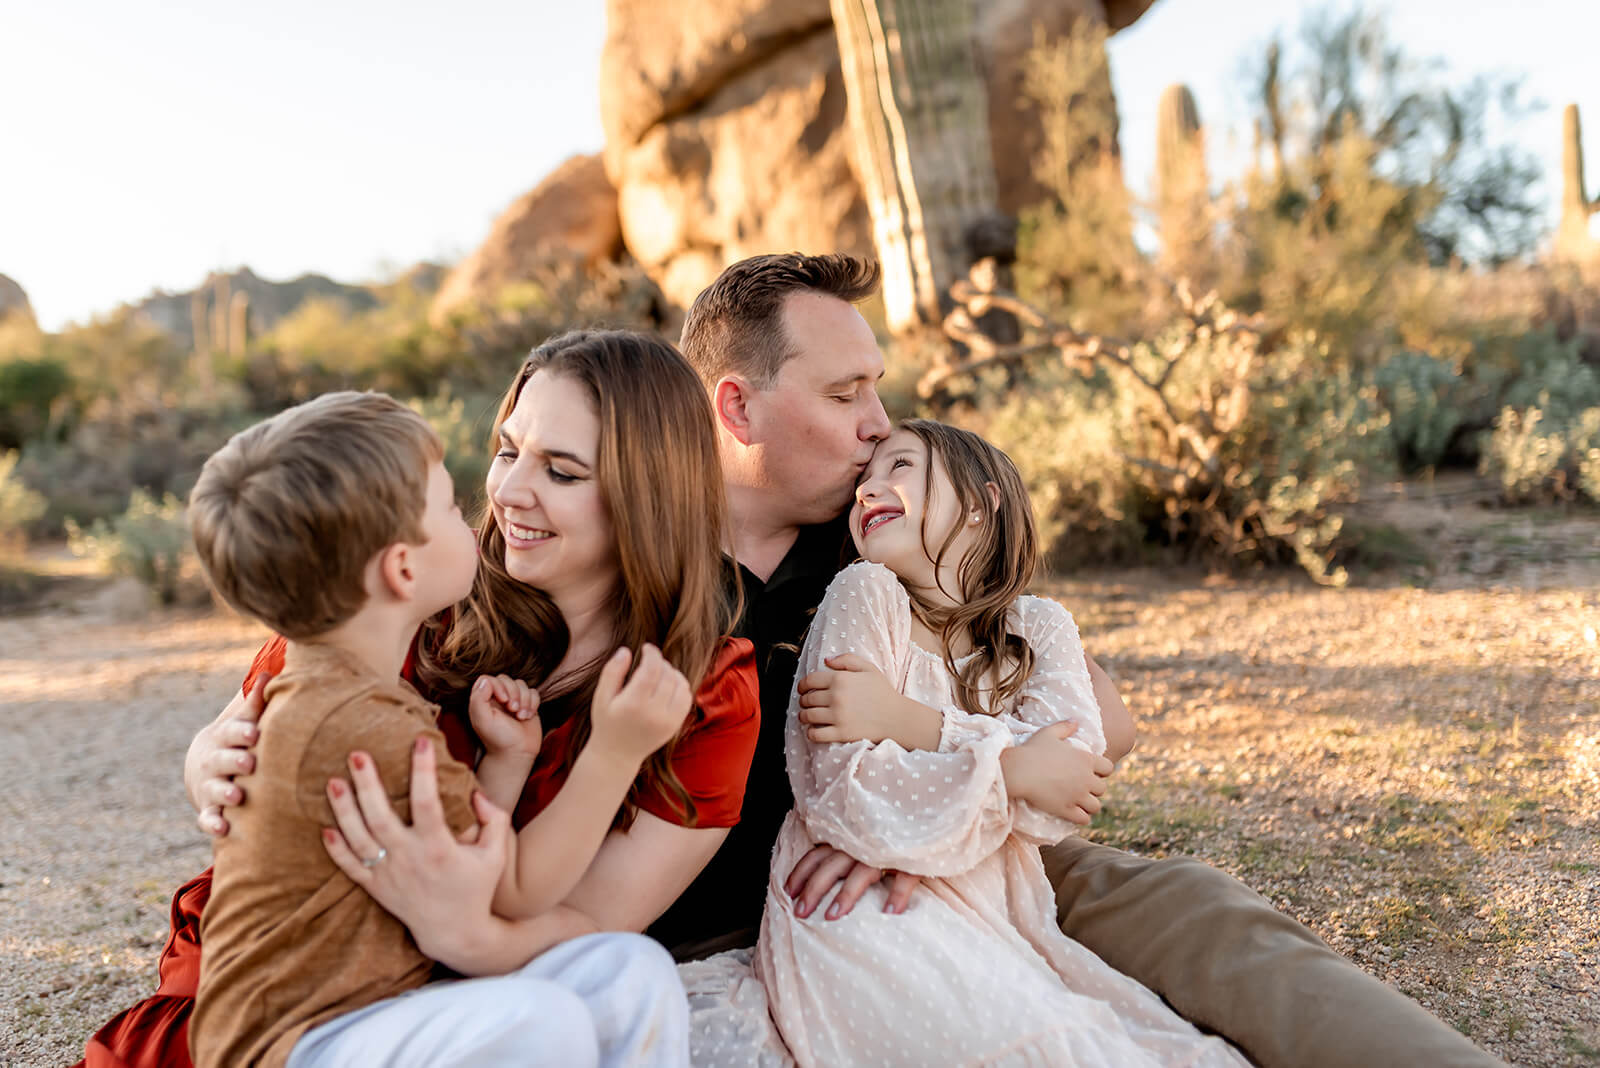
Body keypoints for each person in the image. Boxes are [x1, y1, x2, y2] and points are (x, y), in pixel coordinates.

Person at [170, 254, 1499, 1067]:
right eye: (851, 395)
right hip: (709, 921)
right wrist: (216, 749)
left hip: (952, 839)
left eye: (884, 395)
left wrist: (922, 752)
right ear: (735, 411)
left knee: (1197, 919)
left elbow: (1080, 699)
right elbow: (328, 680)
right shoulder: (537, 568)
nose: (883, 426)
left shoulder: (874, 545)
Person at [77, 332, 760, 1068]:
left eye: (560, 470)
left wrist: (464, 928)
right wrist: (206, 758)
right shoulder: (393, 591)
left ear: (650, 492)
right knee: (541, 1020)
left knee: (634, 974)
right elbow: (262, 731)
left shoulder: (704, 687)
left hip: (452, 970)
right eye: (507, 450)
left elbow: (585, 916)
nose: (504, 493)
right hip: (302, 1001)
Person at [689, 419, 1249, 1065]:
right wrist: (1012, 771)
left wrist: (913, 725)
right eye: (863, 484)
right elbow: (843, 795)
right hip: (858, 903)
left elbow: (1064, 787)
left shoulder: (1039, 624)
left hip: (992, 903)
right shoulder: (863, 594)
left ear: (981, 504)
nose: (870, 489)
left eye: (898, 467)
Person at [182, 389, 688, 1067]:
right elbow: (515, 889)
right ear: (401, 567)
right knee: (542, 1021)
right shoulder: (362, 725)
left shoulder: (336, 687)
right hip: (297, 1043)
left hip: (388, 1009)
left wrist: (506, 763)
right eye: (451, 508)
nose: (484, 512)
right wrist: (617, 751)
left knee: (629, 970)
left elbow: (469, 855)